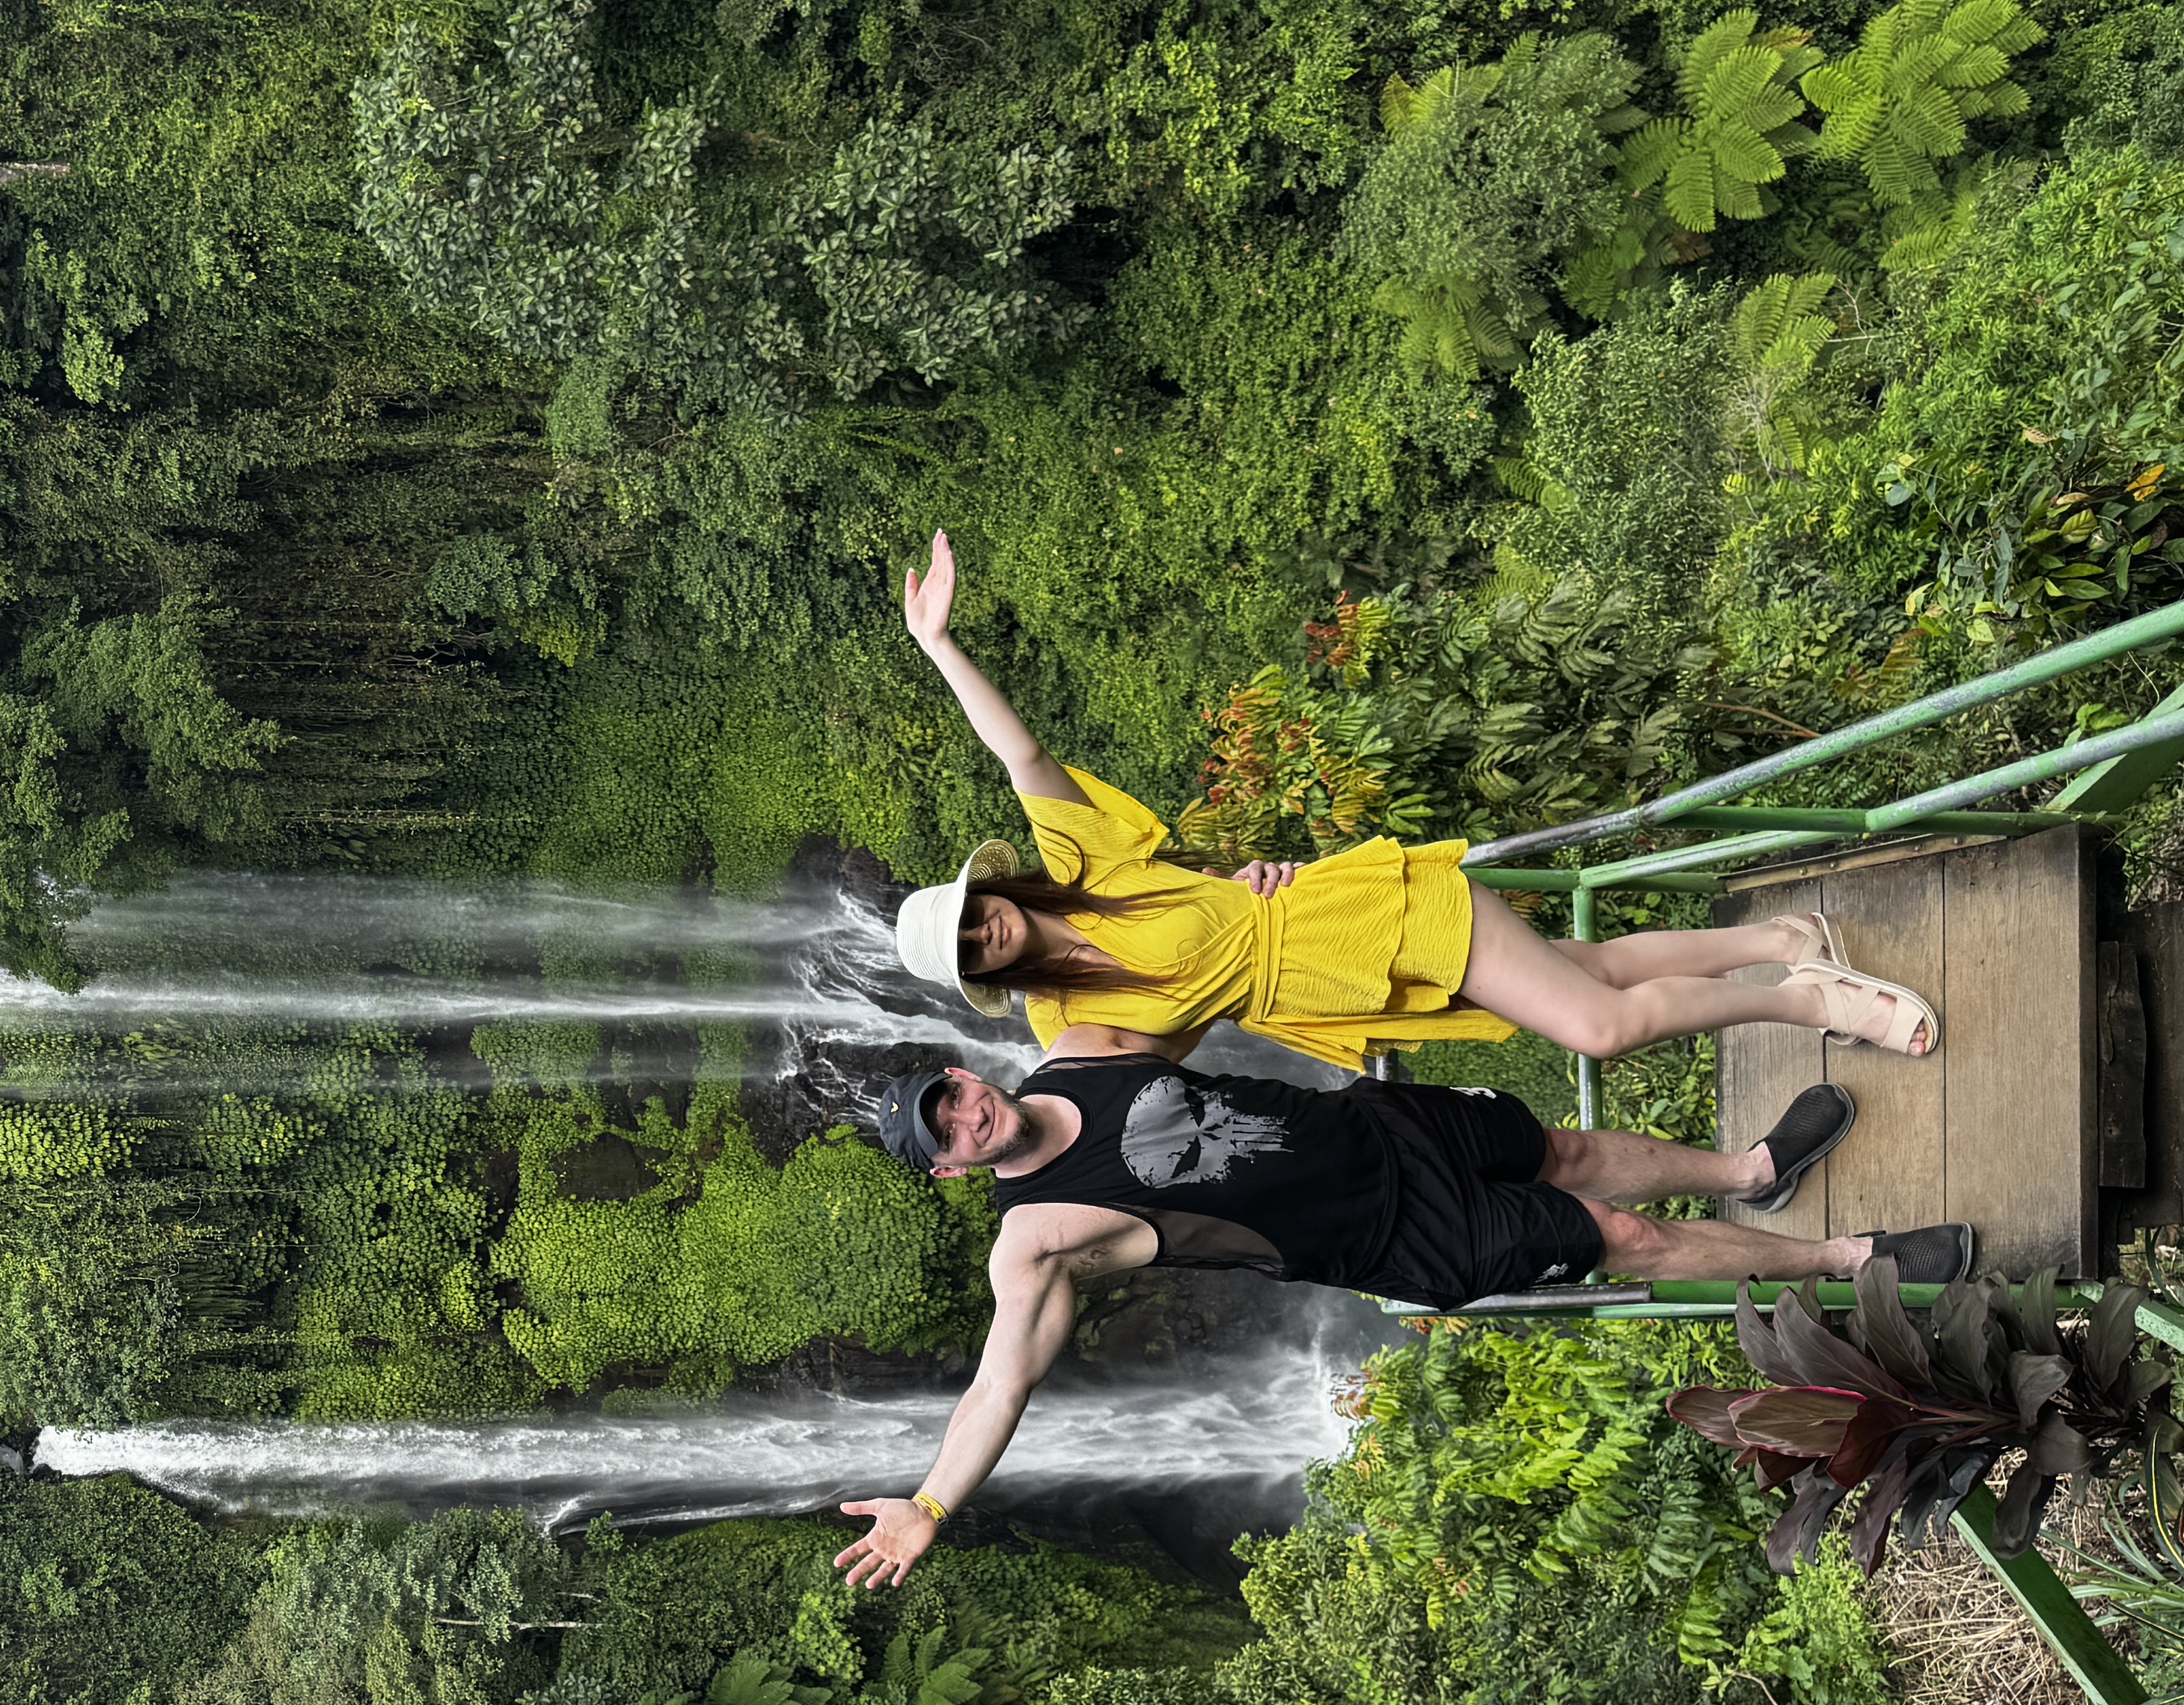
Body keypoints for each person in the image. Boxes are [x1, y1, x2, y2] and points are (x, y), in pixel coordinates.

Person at [826, 1051, 1971, 1591]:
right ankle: (1848, 1258)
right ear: (948, 1170)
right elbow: (1001, 1381)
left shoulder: (1067, 1064)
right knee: (1616, 1236)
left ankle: (1751, 1166)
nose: (968, 1115)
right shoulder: (1033, 1236)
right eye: (948, 1132)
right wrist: (930, 1504)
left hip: (1385, 1127)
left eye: (954, 1093)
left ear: (964, 1072)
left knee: (1564, 1149)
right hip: (1389, 1240)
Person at [887, 536, 1939, 1067]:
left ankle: (1810, 999)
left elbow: (1020, 750)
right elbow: (1132, 1072)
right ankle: (1783, 932)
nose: (986, 931)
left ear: (985, 888)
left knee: (1596, 1028)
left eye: (971, 912)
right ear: (983, 973)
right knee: (1598, 970)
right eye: (972, 949)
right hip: (1330, 993)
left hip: (1352, 913)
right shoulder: (1065, 1019)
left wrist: (940, 646)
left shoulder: (1081, 868)